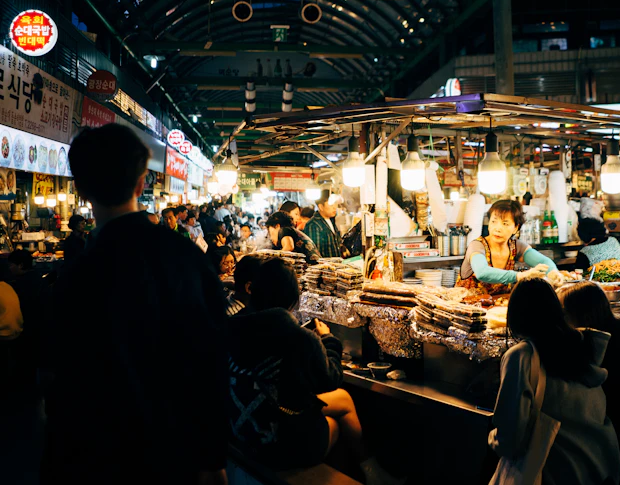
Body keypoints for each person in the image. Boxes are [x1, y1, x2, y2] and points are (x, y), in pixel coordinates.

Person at [42, 123, 229, 485]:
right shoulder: (186, 258)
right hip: (173, 452)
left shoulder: (75, 274)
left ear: (80, 188)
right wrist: (212, 458)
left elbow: (54, 378)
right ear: (142, 183)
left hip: (92, 457)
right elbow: (211, 361)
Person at [227, 258, 399, 484]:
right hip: (274, 440)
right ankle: (366, 475)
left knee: (343, 400)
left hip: (242, 431)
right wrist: (328, 340)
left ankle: (373, 474)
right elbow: (331, 378)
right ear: (292, 297)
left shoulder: (233, 325)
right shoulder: (296, 336)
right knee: (334, 425)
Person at [490, 278, 620, 484]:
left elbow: (509, 439)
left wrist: (492, 438)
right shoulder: (581, 348)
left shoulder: (522, 356)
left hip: (551, 472)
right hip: (594, 470)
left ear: (514, 315)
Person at [559, 282, 620, 471]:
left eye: (565, 313)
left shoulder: (601, 350)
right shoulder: (615, 332)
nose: (561, 320)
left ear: (584, 316)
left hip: (616, 438)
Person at [457, 200, 557, 295]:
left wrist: (554, 273)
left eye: (505, 224)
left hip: (498, 304)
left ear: (516, 228)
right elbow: (482, 272)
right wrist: (519, 276)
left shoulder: (516, 246)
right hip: (464, 304)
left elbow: (544, 261)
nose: (498, 228)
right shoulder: (477, 245)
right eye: (494, 221)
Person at [303, 189, 344, 258]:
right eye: (331, 205)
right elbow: (315, 254)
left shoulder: (331, 220)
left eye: (335, 204)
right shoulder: (313, 225)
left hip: (336, 264)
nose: (335, 207)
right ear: (321, 207)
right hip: (326, 265)